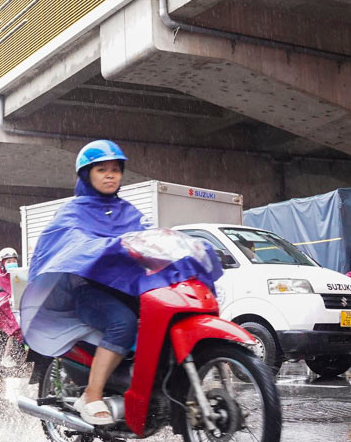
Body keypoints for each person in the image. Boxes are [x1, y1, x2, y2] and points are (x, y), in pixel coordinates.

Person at [20, 140, 220, 425]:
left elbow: (149, 234)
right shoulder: (72, 213)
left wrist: (182, 245)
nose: (110, 175)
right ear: (86, 175)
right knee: (122, 323)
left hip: (128, 290)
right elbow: (71, 243)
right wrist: (106, 245)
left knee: (166, 315)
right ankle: (92, 393)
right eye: (102, 170)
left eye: (115, 169)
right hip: (89, 292)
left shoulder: (127, 211)